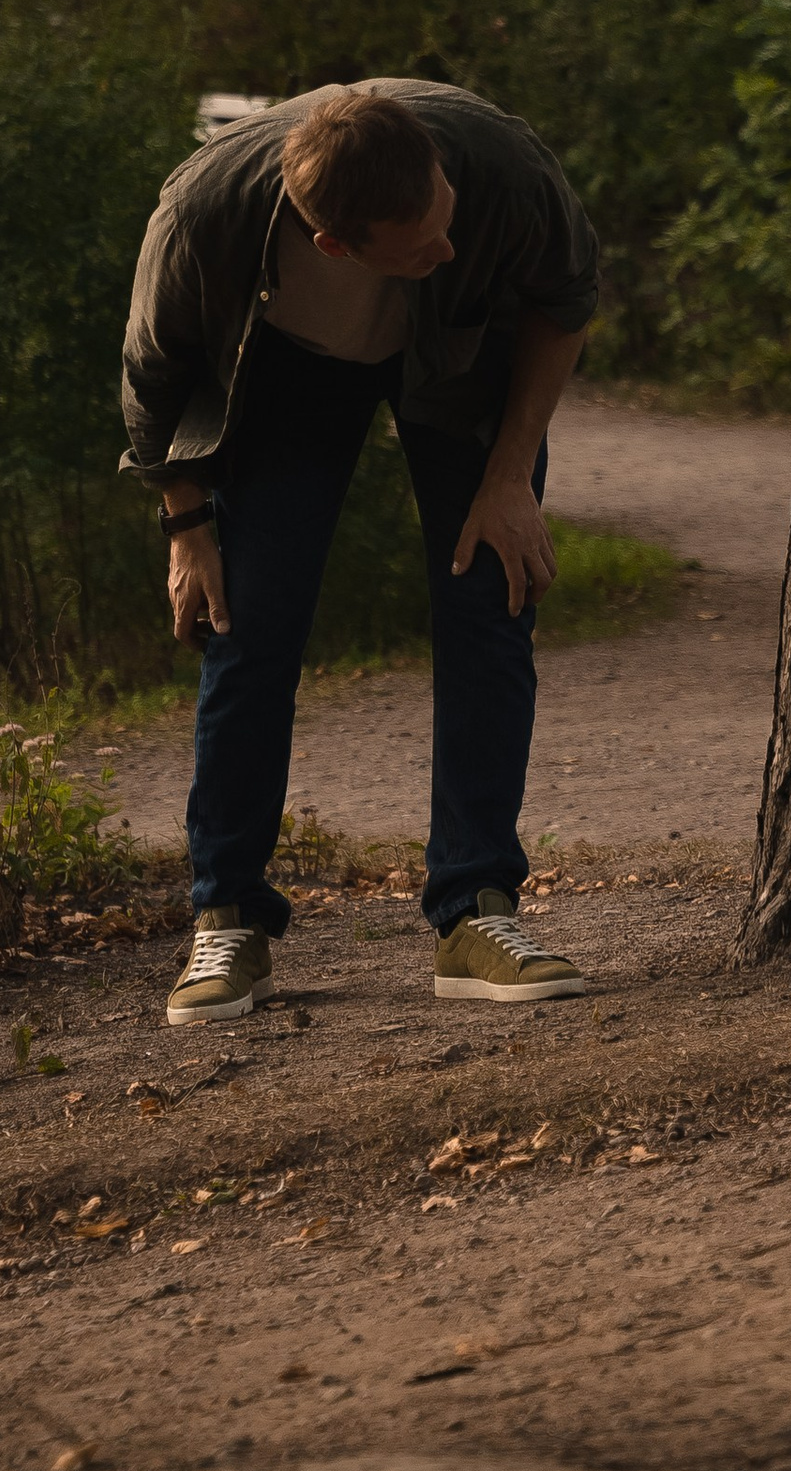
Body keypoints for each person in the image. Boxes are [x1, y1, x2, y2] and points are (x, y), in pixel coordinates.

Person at [120, 80, 600, 1021]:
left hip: (463, 354)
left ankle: (476, 910)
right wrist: (187, 528)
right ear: (338, 246)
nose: (450, 244)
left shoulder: (494, 164)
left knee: (489, 594)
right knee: (247, 621)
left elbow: (565, 297)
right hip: (289, 366)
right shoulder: (201, 216)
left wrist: (508, 478)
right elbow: (153, 377)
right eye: (422, 244)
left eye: (445, 215)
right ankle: (228, 919)